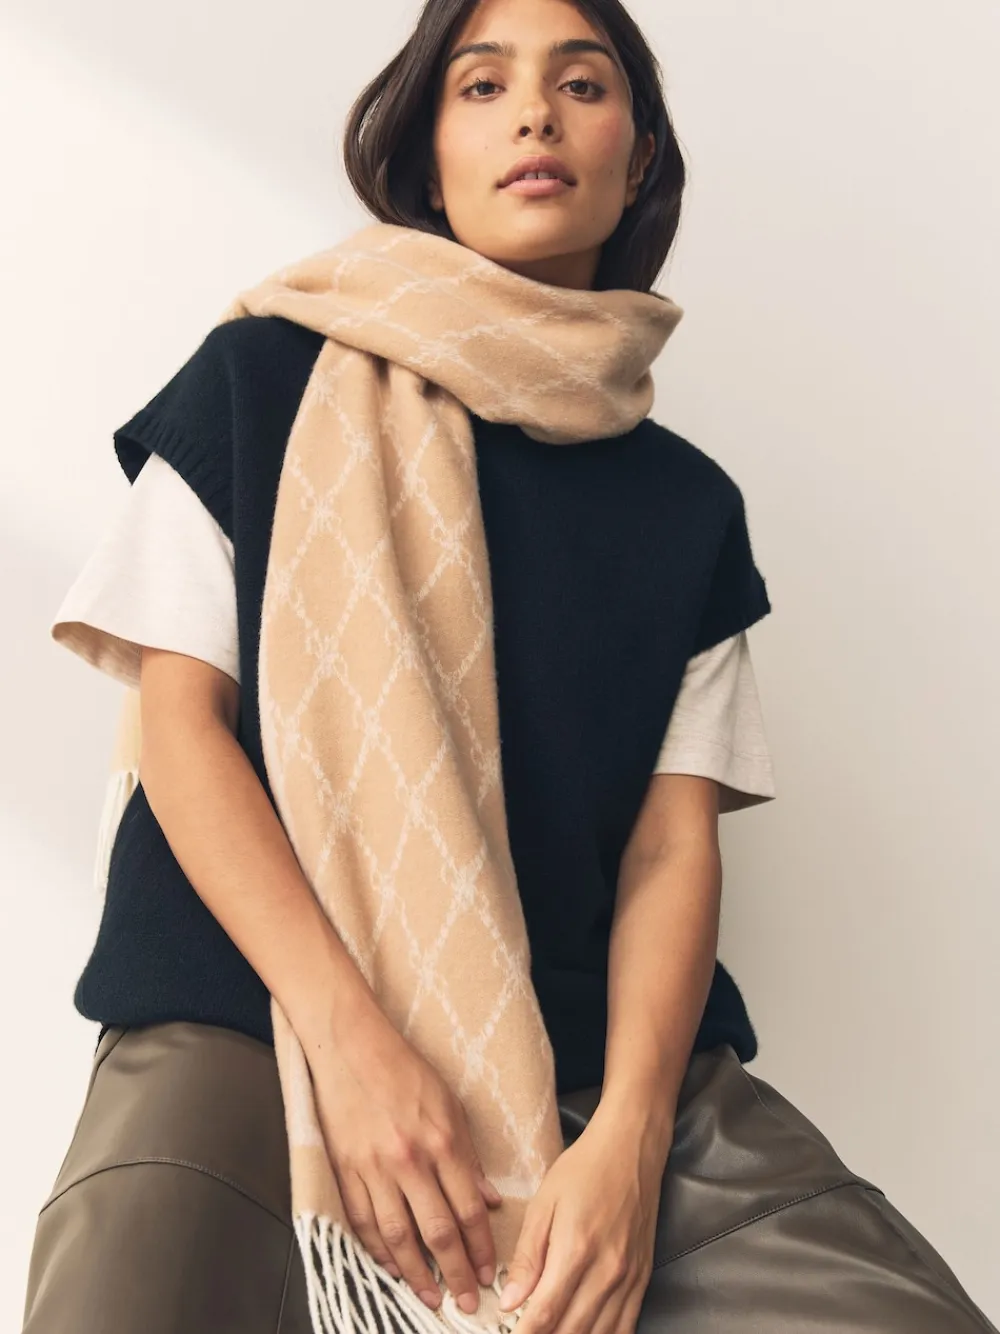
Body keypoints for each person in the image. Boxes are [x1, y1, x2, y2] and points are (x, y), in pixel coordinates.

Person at [20, 1, 997, 1332]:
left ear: (637, 158)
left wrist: (632, 1143)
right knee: (120, 1300)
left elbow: (670, 848)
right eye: (482, 86)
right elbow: (181, 729)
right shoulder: (258, 380)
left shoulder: (685, 507)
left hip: (588, 1057)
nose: (535, 112)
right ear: (427, 159)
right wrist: (355, 1049)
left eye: (581, 84)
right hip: (242, 1010)